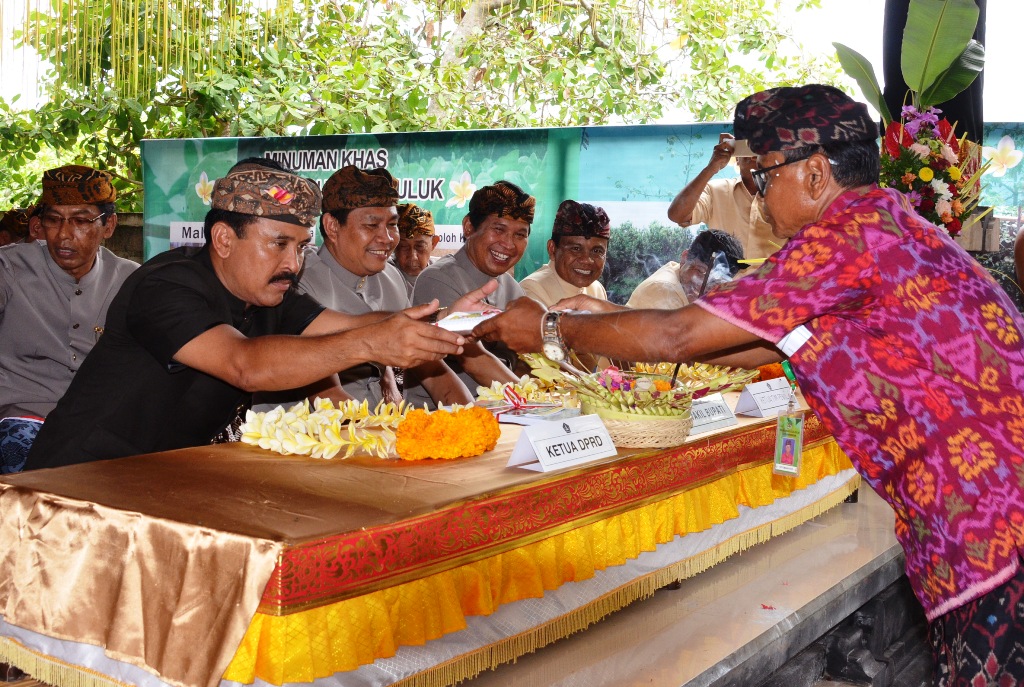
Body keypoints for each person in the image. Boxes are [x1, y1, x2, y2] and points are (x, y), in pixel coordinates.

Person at [476, 84, 1024, 685]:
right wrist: (600, 320)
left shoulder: (847, 236)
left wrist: (553, 328)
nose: (756, 202)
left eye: (762, 179)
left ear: (815, 173)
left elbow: (679, 340)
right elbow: (760, 338)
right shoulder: (888, 219)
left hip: (992, 524)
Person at [25, 159, 486, 470]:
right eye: (279, 244)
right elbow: (246, 365)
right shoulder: (165, 284)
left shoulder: (272, 294)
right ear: (224, 240)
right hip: (77, 481)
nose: (293, 263)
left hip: (164, 477)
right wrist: (372, 345)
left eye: (302, 247)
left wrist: (439, 324)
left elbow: (345, 325)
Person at [280, 165, 471, 407]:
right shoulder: (299, 280)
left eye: (392, 225)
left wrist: (469, 417)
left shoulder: (390, 277)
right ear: (332, 227)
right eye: (371, 226)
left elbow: (433, 370)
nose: (388, 238)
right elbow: (328, 397)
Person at [0, 166, 137, 474]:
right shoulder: (9, 268)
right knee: (34, 474)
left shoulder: (131, 280)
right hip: (22, 415)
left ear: (109, 225)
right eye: (53, 219)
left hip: (100, 422)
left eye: (81, 220)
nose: (64, 234)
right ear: (39, 225)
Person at [410, 180, 530, 399]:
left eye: (520, 235)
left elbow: (528, 357)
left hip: (503, 409)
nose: (509, 244)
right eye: (499, 229)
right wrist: (535, 400)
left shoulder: (512, 288)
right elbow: (475, 361)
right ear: (468, 227)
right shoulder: (438, 279)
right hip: (444, 416)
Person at [667, 132, 781, 261]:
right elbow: (677, 215)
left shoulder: (786, 194)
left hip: (774, 279)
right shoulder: (716, 190)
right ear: (736, 158)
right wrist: (711, 167)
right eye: (746, 147)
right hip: (725, 278)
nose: (754, 154)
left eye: (761, 148)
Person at [520, 199, 610, 307]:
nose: (587, 260)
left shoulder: (596, 289)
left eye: (597, 251)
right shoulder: (532, 289)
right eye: (576, 249)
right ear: (552, 249)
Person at [626, 229, 744, 310]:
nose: (702, 285)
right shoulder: (663, 289)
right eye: (700, 271)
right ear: (684, 258)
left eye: (714, 282)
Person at [392, 203, 439, 296]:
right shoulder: (381, 275)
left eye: (420, 246)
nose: (413, 256)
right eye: (404, 246)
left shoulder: (445, 273)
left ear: (434, 243)